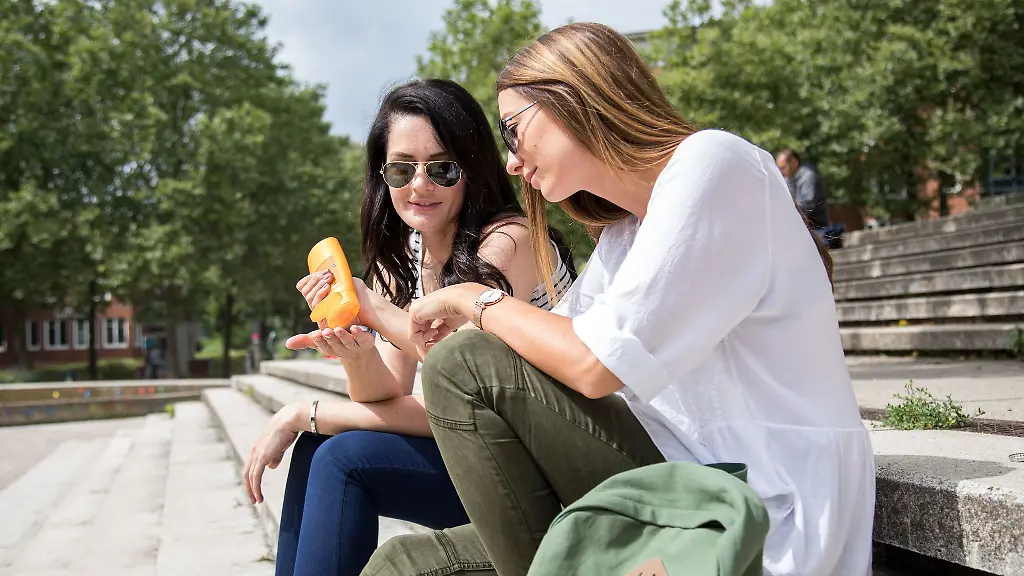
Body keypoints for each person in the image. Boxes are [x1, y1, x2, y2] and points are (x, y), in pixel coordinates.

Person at [363, 23, 875, 576]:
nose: (511, 161)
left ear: (576, 97)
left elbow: (591, 364)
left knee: (463, 366)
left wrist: (473, 300)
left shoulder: (714, 163)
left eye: (513, 131)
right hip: (667, 484)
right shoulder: (627, 234)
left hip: (753, 510)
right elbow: (546, 353)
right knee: (402, 562)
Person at [242, 78, 576, 576]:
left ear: (474, 169)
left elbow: (460, 390)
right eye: (402, 169)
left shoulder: (510, 240)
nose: (419, 186)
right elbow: (388, 396)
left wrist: (305, 408)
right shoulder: (406, 255)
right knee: (320, 446)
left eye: (442, 168)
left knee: (340, 454)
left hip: (546, 467)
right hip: (480, 453)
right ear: (384, 176)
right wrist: (358, 354)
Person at [775, 148, 829, 229]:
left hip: (815, 229)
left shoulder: (808, 177)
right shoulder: (787, 180)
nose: (781, 172)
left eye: (783, 168)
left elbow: (808, 206)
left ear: (794, 162)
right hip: (797, 227)